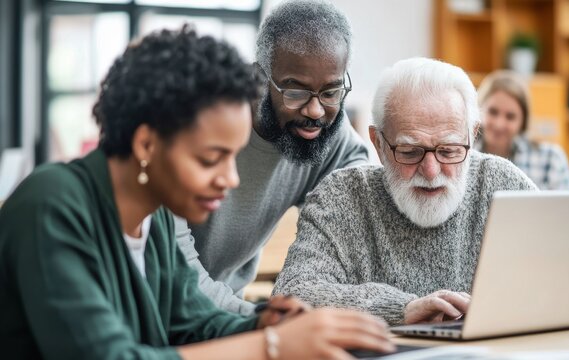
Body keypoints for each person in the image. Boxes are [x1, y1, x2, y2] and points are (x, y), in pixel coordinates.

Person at [0, 27, 394, 359]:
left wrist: (264, 320)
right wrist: (270, 345)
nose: (230, 179)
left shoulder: (149, 219)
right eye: (211, 159)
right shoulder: (51, 205)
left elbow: (192, 319)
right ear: (146, 145)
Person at [272, 58, 538, 326]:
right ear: (378, 144)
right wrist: (400, 308)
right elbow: (292, 295)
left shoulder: (503, 185)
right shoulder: (342, 197)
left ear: (472, 134)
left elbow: (568, 277)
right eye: (410, 152)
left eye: (449, 151)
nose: (431, 171)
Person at [175, 0, 369, 315]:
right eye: (295, 92)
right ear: (259, 79)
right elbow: (176, 279)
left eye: (331, 92)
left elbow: (360, 221)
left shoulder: (329, 134)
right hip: (166, 316)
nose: (315, 111)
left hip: (234, 316)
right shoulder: (194, 127)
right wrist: (263, 320)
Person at [476, 70, 569, 190]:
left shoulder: (551, 159)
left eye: (510, 116)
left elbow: (567, 208)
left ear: (523, 122)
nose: (499, 124)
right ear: (478, 111)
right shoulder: (461, 156)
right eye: (493, 112)